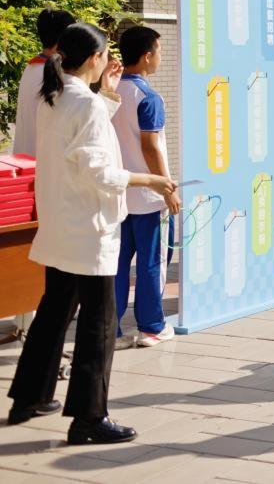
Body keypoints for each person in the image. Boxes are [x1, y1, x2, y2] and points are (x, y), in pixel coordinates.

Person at [6, 23, 175, 444]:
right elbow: (99, 170)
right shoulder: (84, 104)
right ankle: (88, 417)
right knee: (98, 325)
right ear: (95, 59)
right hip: (90, 229)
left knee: (53, 314)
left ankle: (29, 397)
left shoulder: (53, 96)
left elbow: (82, 137)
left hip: (61, 224)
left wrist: (109, 95)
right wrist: (150, 181)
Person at [111, 26, 180, 347]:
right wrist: (167, 188)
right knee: (153, 263)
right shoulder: (148, 97)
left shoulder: (108, 92)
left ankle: (109, 330)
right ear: (146, 56)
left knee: (117, 264)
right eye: (159, 51)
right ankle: (151, 326)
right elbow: (151, 147)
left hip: (117, 194)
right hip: (148, 198)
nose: (160, 57)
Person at [11, 9, 75, 157]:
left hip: (26, 158)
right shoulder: (56, 75)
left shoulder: (31, 68)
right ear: (66, 37)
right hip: (45, 162)